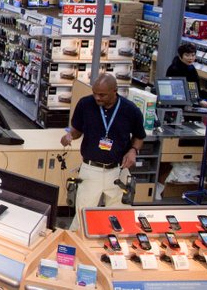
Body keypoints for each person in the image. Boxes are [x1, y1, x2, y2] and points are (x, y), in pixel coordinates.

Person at [61, 74, 145, 231]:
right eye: (94, 93)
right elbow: (77, 130)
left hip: (118, 171)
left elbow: (139, 136)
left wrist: (133, 150)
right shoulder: (85, 104)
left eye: (102, 95)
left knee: (119, 216)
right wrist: (69, 135)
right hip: (90, 169)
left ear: (115, 91)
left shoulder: (130, 110)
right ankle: (76, 247)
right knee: (82, 216)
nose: (97, 97)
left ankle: (114, 247)